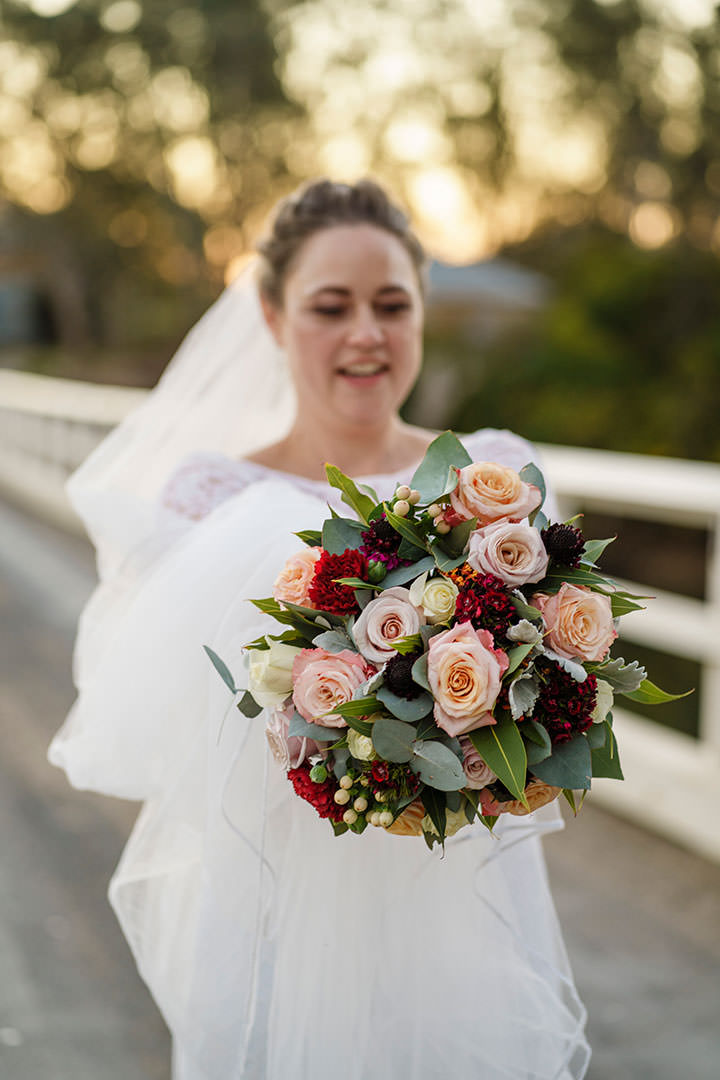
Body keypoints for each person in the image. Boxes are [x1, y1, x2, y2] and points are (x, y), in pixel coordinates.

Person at [49, 179, 591, 1079]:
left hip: (453, 903)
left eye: (391, 304)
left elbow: (559, 686)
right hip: (273, 904)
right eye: (330, 306)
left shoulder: (494, 480)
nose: (365, 333)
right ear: (271, 315)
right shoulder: (211, 498)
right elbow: (169, 737)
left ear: (422, 311)